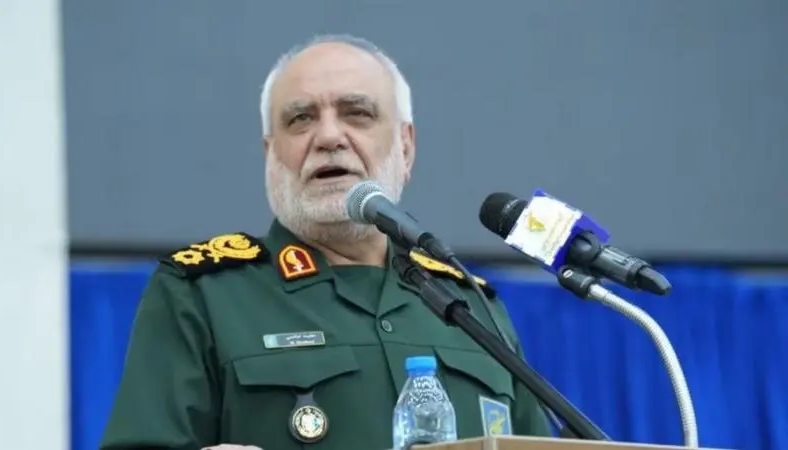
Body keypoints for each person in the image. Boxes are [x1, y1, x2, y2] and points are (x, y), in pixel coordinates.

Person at [100, 34, 552, 450]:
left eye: (358, 113)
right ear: (270, 154)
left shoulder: (471, 306)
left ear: (406, 147)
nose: (330, 137)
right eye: (301, 119)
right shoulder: (201, 295)